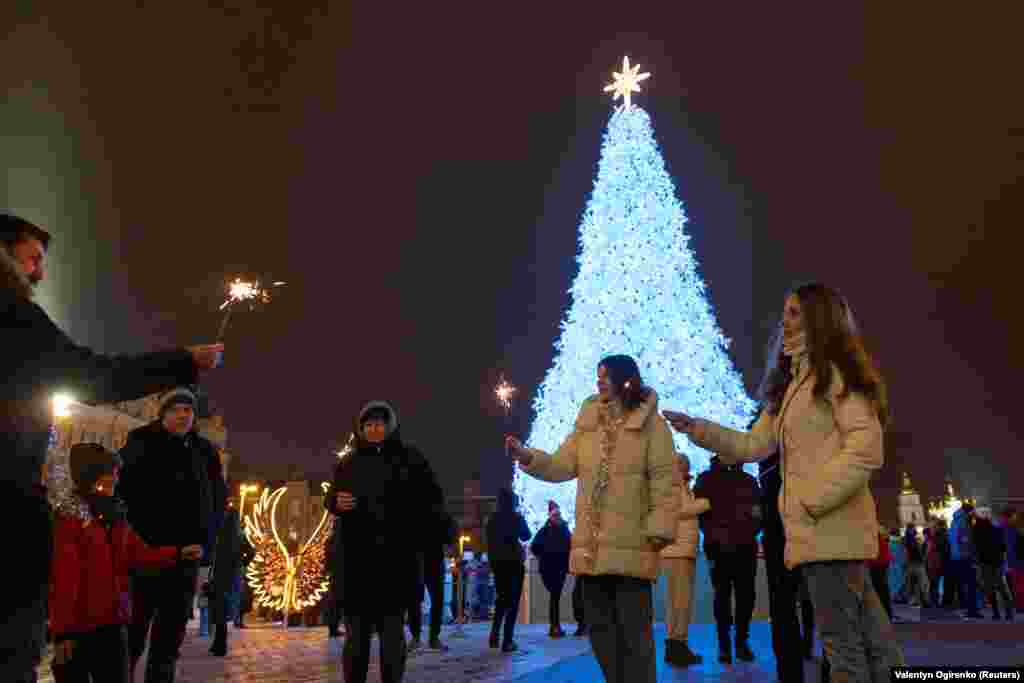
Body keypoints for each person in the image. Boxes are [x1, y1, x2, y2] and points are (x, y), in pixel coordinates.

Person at [0, 212, 223, 683]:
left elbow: (208, 502)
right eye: (33, 259)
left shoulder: (201, 453)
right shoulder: (13, 315)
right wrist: (183, 361)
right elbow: (94, 375)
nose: (39, 272)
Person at [665, 283, 905, 682]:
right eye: (785, 313)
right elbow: (752, 444)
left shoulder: (834, 377)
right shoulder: (792, 387)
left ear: (818, 319)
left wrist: (811, 501)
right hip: (818, 537)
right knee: (876, 647)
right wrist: (699, 429)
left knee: (845, 652)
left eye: (794, 313)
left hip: (830, 534)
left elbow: (865, 449)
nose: (785, 321)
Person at [507, 354, 677, 683]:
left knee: (635, 637)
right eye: (597, 375)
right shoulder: (587, 426)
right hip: (592, 551)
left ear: (626, 379)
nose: (598, 381)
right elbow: (560, 464)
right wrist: (528, 456)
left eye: (605, 376)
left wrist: (659, 527)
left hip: (632, 547)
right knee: (601, 635)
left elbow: (664, 481)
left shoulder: (652, 426)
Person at [49, 443, 204, 683]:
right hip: (80, 629)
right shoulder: (70, 519)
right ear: (92, 477)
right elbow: (64, 579)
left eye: (116, 473)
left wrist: (178, 553)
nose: (116, 478)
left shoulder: (115, 515)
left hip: (114, 623)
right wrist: (63, 633)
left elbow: (139, 553)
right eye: (110, 472)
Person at [325, 400, 444, 683]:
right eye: (368, 425)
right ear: (360, 429)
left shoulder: (411, 458)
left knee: (392, 636)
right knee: (356, 638)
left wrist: (417, 524)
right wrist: (335, 501)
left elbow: (433, 499)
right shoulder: (349, 461)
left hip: (396, 563)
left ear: (390, 426)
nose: (374, 429)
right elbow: (332, 496)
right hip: (357, 563)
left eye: (379, 424)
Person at [117, 387, 227, 683]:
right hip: (145, 556)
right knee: (133, 634)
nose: (183, 415)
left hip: (186, 558)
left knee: (169, 641)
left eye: (188, 410)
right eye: (176, 409)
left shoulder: (205, 452)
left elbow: (217, 501)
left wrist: (208, 544)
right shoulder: (140, 442)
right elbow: (122, 493)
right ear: (163, 414)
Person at [692, 453, 761, 663]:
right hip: (718, 548)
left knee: (745, 596)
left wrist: (750, 532)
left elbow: (759, 513)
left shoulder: (749, 481)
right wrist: (714, 535)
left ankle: (740, 642)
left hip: (745, 547)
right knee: (722, 596)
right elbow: (700, 514)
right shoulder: (706, 479)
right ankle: (725, 645)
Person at [759, 445, 812, 683]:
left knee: (784, 608)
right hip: (796, 534)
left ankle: (790, 672)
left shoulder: (769, 462)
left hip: (782, 536)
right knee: (807, 604)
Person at [659, 454, 709, 667]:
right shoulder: (671, 487)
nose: (687, 467)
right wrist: (703, 504)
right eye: (683, 464)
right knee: (679, 602)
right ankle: (677, 646)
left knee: (680, 603)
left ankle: (677, 645)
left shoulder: (681, 487)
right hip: (676, 552)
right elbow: (674, 512)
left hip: (681, 551)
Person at [486, 488, 532, 651]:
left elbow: (488, 542)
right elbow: (527, 535)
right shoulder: (516, 517)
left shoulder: (492, 519)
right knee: (512, 601)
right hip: (513, 562)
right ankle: (507, 640)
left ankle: (494, 635)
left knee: (501, 599)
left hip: (498, 563)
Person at [531, 500, 573, 638]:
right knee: (555, 596)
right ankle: (555, 627)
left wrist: (543, 556)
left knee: (555, 596)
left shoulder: (547, 530)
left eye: (558, 514)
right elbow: (534, 547)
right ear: (551, 516)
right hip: (553, 567)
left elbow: (535, 547)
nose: (558, 517)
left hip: (554, 568)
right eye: (556, 515)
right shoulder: (555, 530)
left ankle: (554, 626)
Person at [207, 501, 243, 655]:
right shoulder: (239, 535)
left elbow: (213, 554)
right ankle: (218, 643)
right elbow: (250, 551)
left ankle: (219, 645)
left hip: (219, 575)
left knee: (218, 610)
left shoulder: (221, 534)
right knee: (223, 610)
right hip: (232, 576)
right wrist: (241, 562)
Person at [973, 513, 1014, 621]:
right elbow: (1003, 547)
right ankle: (1009, 612)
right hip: (998, 562)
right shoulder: (996, 530)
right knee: (1002, 587)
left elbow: (976, 549)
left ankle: (996, 613)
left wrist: (977, 561)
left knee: (990, 589)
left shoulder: (977, 532)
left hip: (985, 564)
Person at [948, 504, 981, 619]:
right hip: (965, 557)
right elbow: (965, 541)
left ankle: (968, 608)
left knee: (964, 584)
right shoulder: (964, 522)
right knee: (971, 584)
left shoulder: (953, 522)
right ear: (969, 512)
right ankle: (972, 610)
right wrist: (972, 556)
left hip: (956, 558)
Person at [867, 525, 894, 622]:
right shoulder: (879, 532)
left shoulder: (872, 532)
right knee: (882, 587)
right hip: (881, 561)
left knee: (879, 588)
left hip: (877, 562)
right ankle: (886, 613)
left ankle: (884, 614)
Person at [903, 524, 930, 607]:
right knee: (921, 583)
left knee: (913, 583)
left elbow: (905, 552)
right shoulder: (917, 539)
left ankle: (915, 600)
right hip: (917, 563)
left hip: (912, 564)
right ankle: (923, 600)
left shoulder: (905, 539)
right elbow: (923, 551)